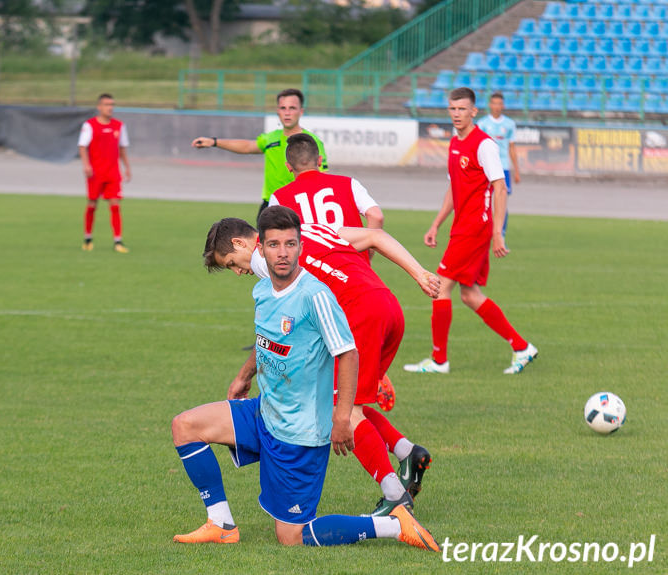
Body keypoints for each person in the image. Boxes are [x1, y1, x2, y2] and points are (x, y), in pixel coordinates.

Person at [171, 208, 439, 550]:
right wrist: (418, 273)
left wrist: (340, 416)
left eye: (231, 262)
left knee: (346, 414)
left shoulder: (273, 269)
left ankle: (395, 504)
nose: (239, 271)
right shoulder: (308, 236)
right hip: (385, 306)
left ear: (243, 242)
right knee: (185, 425)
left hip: (346, 332)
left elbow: (344, 351)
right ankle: (221, 523)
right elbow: (375, 235)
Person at [404, 87, 537, 375]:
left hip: (476, 227)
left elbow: (499, 187)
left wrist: (498, 232)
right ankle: (521, 347)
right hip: (462, 226)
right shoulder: (454, 142)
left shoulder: (484, 144)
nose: (456, 114)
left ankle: (439, 361)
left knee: (440, 288)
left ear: (474, 111)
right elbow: (454, 186)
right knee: (469, 294)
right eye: (452, 109)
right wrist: (436, 223)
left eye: (462, 109)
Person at [191, 89, 327, 221]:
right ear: (277, 111)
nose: (287, 113)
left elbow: (323, 177)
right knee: (263, 243)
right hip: (270, 205)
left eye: (292, 108)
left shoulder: (312, 141)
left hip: (299, 204)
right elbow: (247, 146)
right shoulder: (270, 139)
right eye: (283, 108)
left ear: (301, 111)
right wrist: (214, 142)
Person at [270, 134, 384, 261]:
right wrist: (369, 249)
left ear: (288, 167)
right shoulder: (349, 184)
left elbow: (274, 239)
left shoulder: (279, 197)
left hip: (312, 274)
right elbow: (376, 215)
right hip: (354, 268)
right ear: (319, 160)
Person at [78, 93, 131, 253]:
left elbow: (122, 148)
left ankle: (118, 242)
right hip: (95, 172)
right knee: (92, 204)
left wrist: (127, 167)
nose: (110, 107)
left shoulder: (119, 126)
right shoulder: (89, 125)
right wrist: (86, 165)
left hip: (113, 172)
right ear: (99, 107)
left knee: (115, 205)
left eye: (112, 104)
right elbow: (82, 146)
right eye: (107, 104)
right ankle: (88, 239)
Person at [477, 92, 520, 239]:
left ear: (503, 105)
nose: (496, 106)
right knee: (483, 202)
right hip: (485, 168)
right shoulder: (482, 124)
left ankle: (500, 234)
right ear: (490, 105)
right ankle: (483, 233)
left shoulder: (509, 124)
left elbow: (512, 148)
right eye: (494, 103)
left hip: (503, 168)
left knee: (502, 202)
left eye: (499, 103)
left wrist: (517, 170)